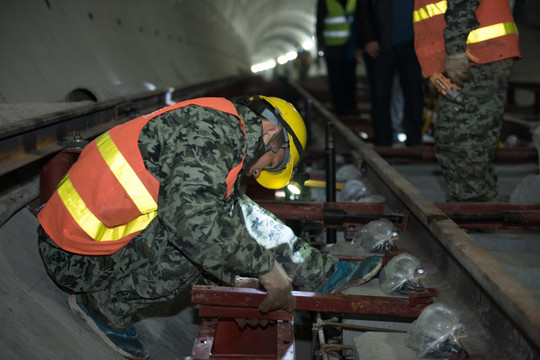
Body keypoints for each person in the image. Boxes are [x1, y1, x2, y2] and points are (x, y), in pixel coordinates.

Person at [36, 95, 377, 360]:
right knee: (196, 236)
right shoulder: (212, 134)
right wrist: (262, 268)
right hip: (74, 255)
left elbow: (214, 213)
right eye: (274, 162)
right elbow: (192, 222)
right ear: (273, 133)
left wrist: (236, 288)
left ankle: (322, 272)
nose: (259, 173)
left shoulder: (219, 123)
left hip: (86, 235)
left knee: (234, 210)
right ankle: (106, 308)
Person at [413, 0, 521, 201]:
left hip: (477, 53)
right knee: (461, 138)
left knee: (462, 141)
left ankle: (474, 205)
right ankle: (476, 202)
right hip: (475, 52)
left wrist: (455, 51)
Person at [358, 0, 426, 146]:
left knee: (414, 92)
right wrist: (368, 39)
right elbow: (363, 8)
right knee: (380, 94)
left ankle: (415, 141)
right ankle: (383, 142)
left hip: (411, 44)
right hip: (381, 45)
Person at [316, 0, 362, 117]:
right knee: (336, 80)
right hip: (333, 47)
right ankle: (340, 110)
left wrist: (359, 46)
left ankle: (351, 107)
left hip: (350, 46)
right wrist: (321, 46)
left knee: (350, 79)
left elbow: (360, 20)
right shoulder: (326, 2)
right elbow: (320, 23)